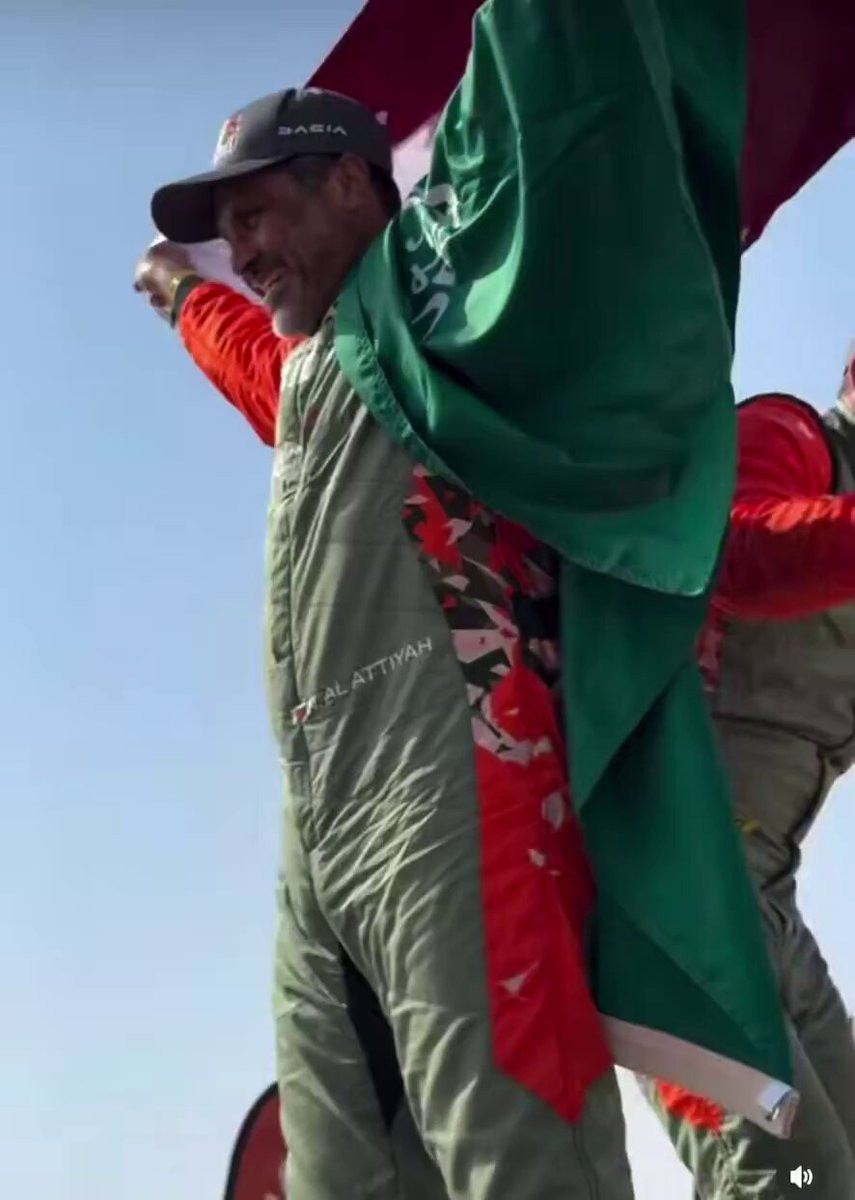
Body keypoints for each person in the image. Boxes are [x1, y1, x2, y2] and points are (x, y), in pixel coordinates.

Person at [137, 85, 633, 1199]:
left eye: (256, 216)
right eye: (228, 234)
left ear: (355, 186)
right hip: (317, 819)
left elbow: (536, 99)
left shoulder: (439, 300)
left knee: (511, 1147)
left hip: (453, 779)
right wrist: (176, 291)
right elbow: (247, 358)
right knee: (335, 1166)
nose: (241, 253)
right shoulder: (315, 371)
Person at [644, 360, 855, 1199]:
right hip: (673, 894)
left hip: (763, 904)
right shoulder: (790, 435)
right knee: (797, 1181)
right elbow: (738, 545)